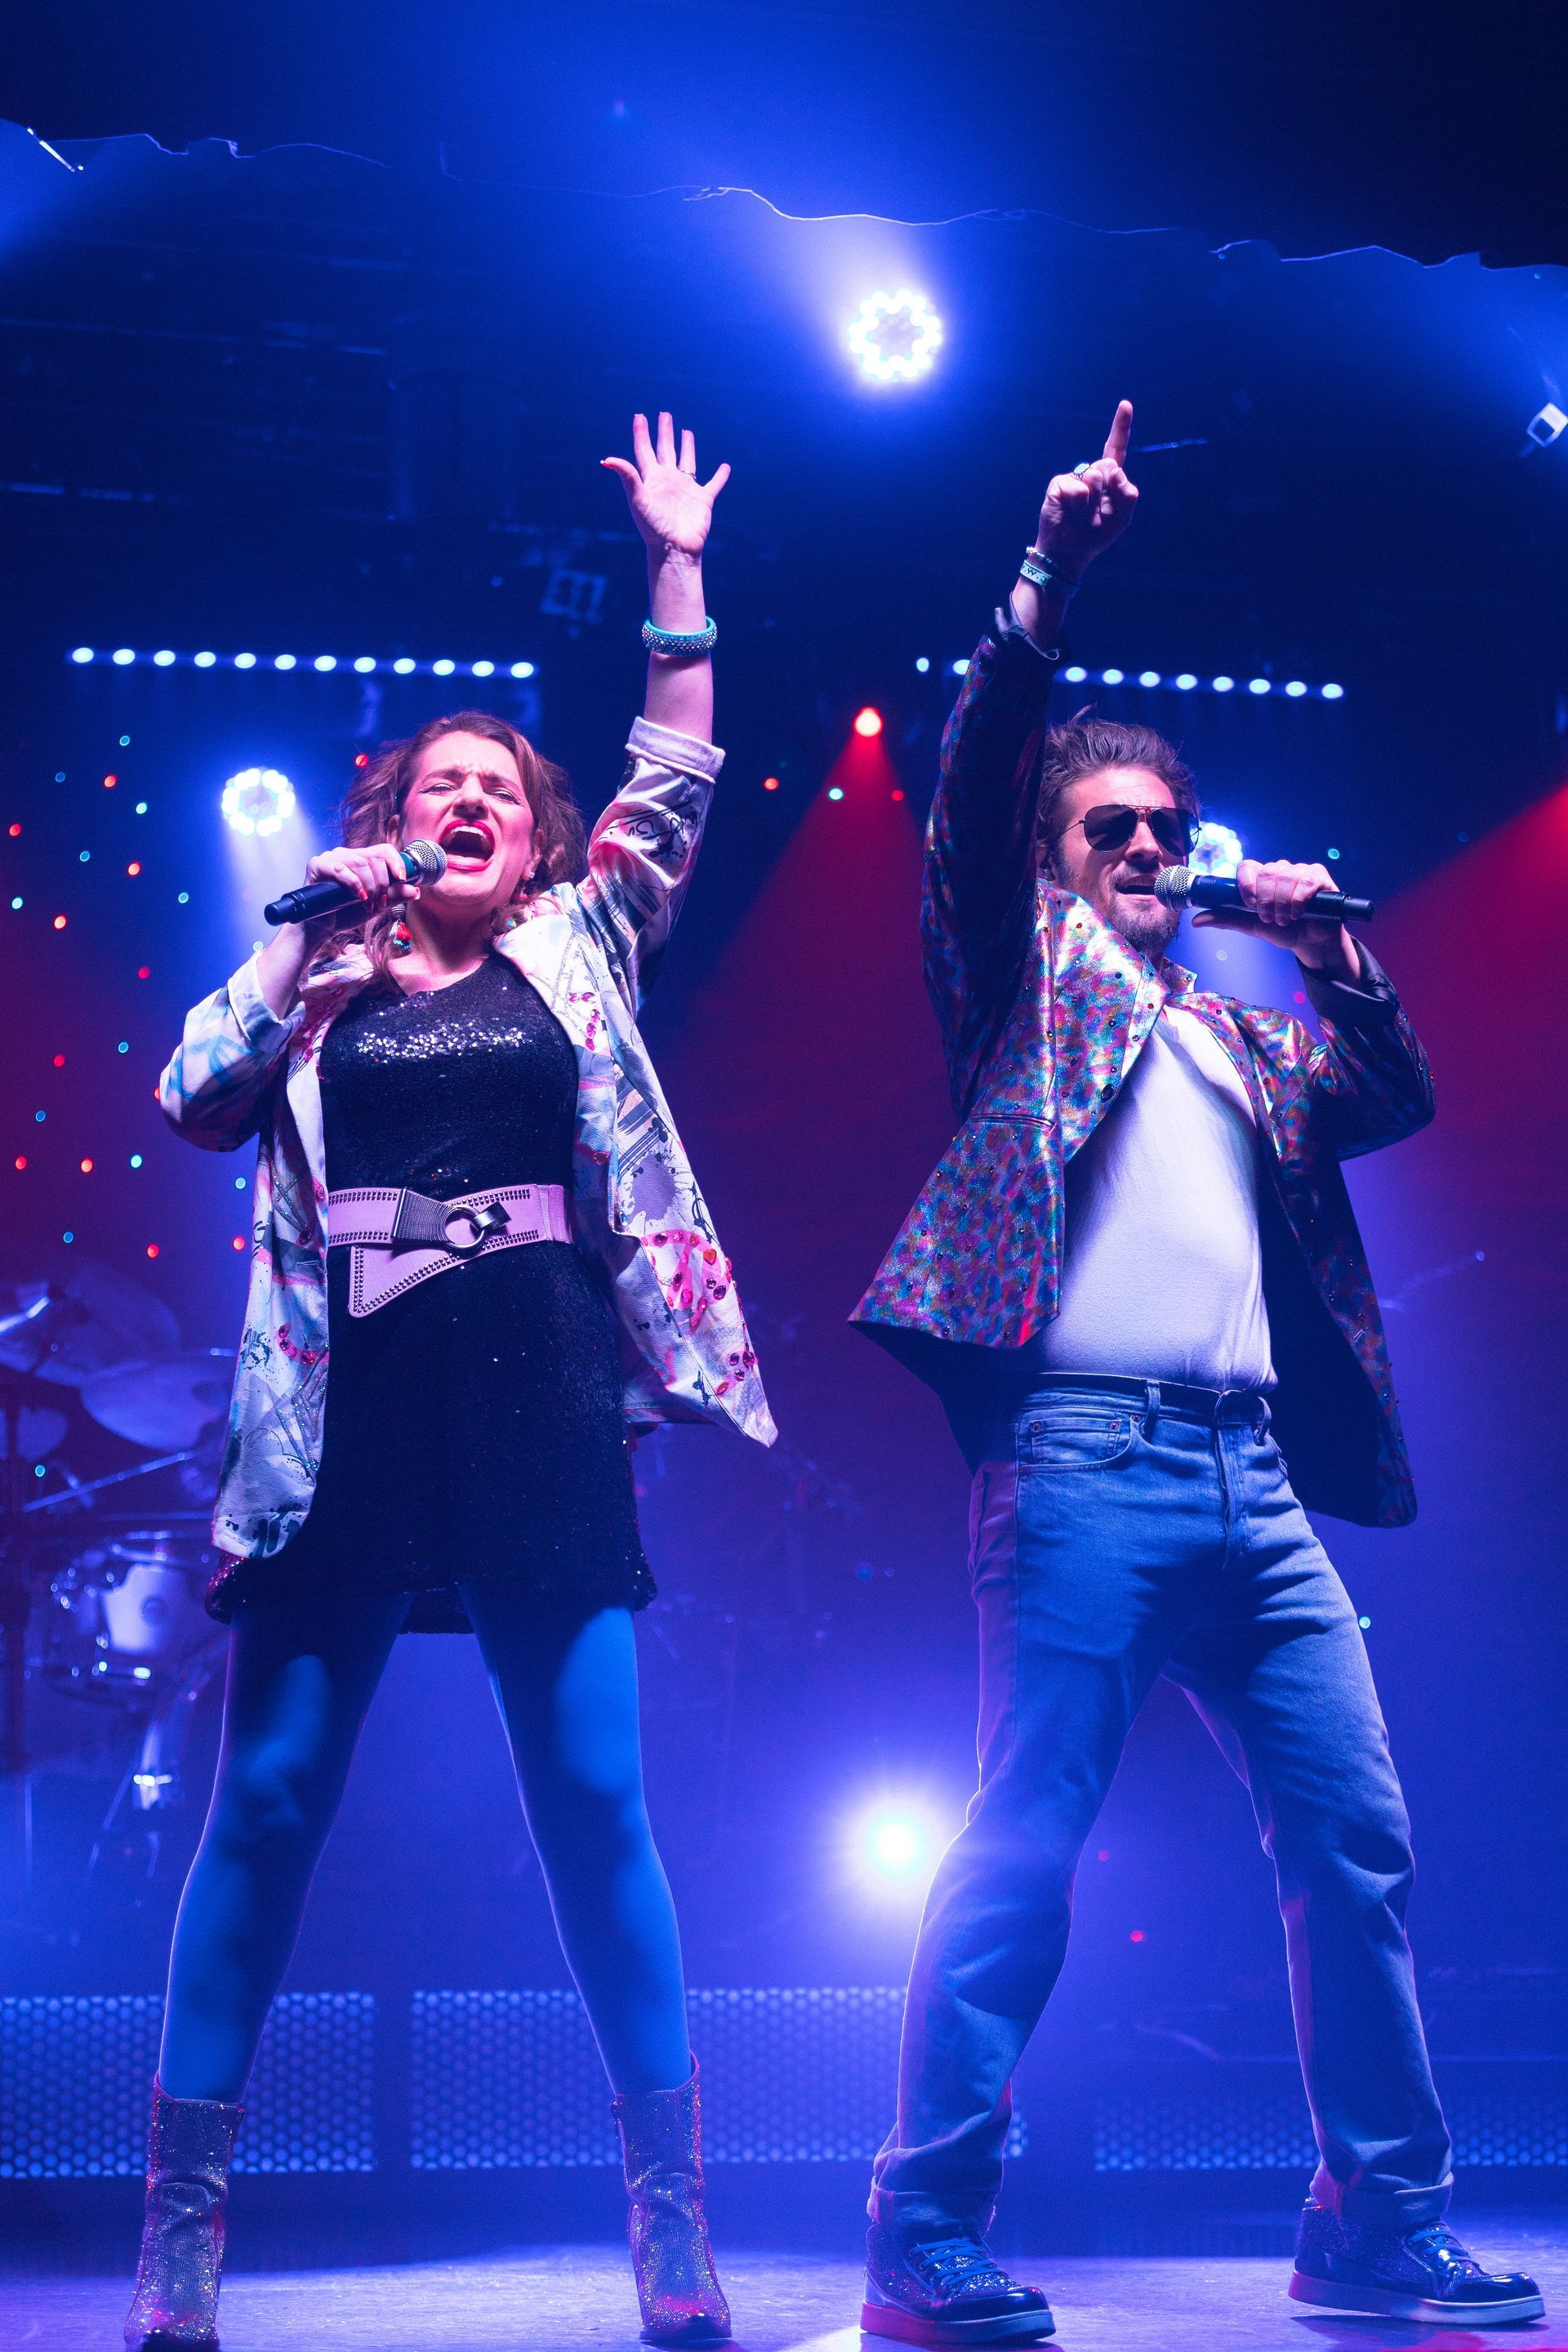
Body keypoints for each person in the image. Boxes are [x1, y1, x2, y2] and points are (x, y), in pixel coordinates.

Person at [849, 403, 1543, 2343]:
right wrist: (1051, 572)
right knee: (1027, 1837)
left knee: (1358, 1840)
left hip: (1255, 1488)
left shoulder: (1238, 1039)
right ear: (1054, 864)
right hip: (1081, 1467)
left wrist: (1321, 939)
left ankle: (1374, 2221)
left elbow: (1388, 1091)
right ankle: (924, 2226)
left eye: (1168, 830)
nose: (1150, 851)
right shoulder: (1018, 983)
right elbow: (987, 781)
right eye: (1114, 833)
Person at [126, 412, 773, 2352]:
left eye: (502, 786)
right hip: (343, 1416)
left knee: (594, 1800)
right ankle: (183, 2245)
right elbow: (188, 1096)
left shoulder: (583, 944)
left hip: (544, 1399)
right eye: (443, 784)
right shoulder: (311, 980)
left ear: (537, 834)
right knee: (268, 1805)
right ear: (395, 817)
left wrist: (677, 570)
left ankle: (670, 2223)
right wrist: (305, 938)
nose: (475, 801)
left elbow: (674, 770)